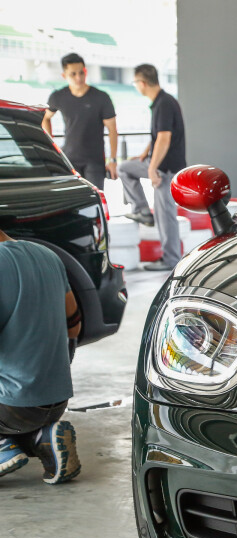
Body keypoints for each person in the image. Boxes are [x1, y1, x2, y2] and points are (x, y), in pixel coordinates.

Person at [0, 230, 82, 484]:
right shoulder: (47, 255)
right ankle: (44, 440)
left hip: (8, 405)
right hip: (54, 401)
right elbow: (74, 324)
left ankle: (2, 450)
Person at [119, 63, 187, 271]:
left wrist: (151, 168)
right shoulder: (160, 102)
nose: (136, 86)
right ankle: (142, 211)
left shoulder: (164, 104)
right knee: (126, 168)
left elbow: (164, 139)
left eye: (135, 83)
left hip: (165, 168)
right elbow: (159, 135)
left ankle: (171, 259)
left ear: (142, 82)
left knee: (166, 215)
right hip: (160, 162)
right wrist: (144, 154)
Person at [41, 53, 119, 190]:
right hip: (70, 158)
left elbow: (112, 129)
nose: (79, 77)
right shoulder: (58, 97)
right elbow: (46, 117)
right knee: (73, 201)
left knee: (95, 200)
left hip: (95, 161)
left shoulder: (101, 97)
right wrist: (50, 144)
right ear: (64, 76)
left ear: (85, 71)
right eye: (73, 74)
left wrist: (113, 160)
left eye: (81, 72)